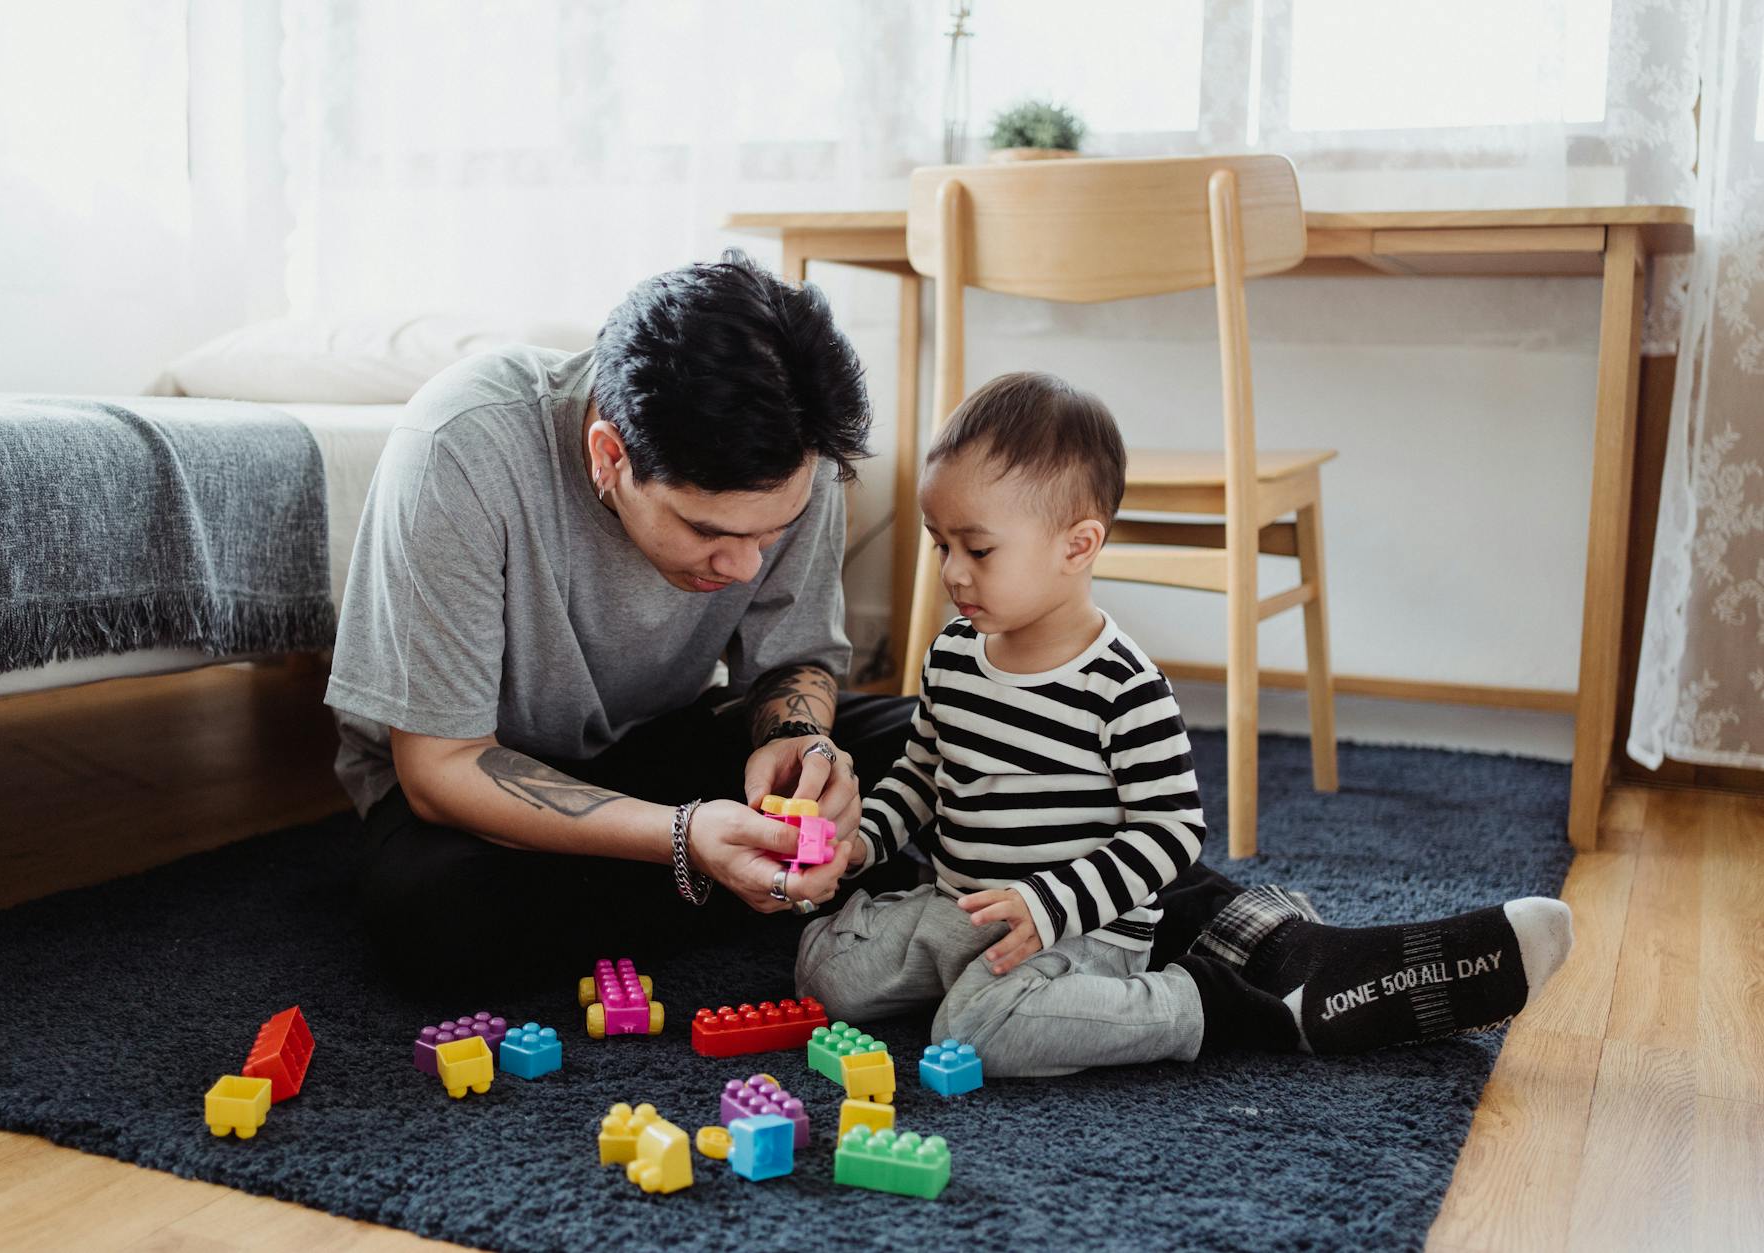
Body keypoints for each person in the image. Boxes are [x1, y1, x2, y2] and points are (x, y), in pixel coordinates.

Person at [793, 372, 1575, 1073]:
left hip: (1079, 928)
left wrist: (1049, 904)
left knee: (975, 1029)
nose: (953, 571)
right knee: (825, 973)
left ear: (1079, 545)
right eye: (940, 544)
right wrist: (863, 841)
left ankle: (1201, 1002)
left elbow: (1169, 833)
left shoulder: (1123, 683)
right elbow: (922, 775)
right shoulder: (953, 655)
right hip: (965, 905)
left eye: (979, 548)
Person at [325, 250, 912, 996]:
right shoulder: (460, 447)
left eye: (768, 534)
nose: (742, 567)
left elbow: (790, 666)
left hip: (656, 742)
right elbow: (439, 769)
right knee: (436, 915)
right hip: (476, 785)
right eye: (707, 532)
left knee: (938, 741)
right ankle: (774, 882)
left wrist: (801, 745)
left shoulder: (799, 457)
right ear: (610, 456)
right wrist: (684, 838)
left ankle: (745, 873)